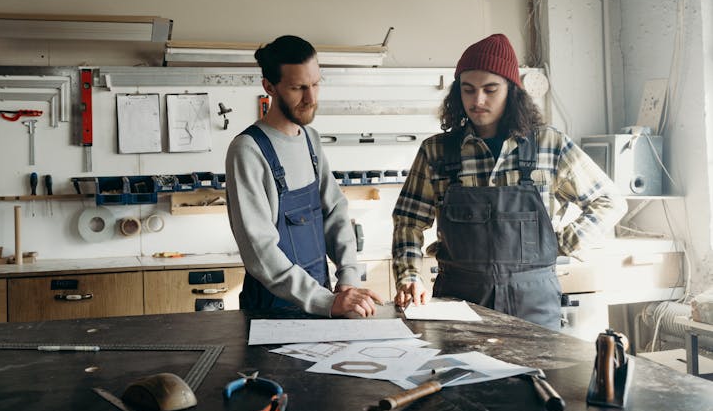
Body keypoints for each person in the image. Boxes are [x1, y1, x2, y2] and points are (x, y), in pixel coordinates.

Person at [392, 33, 627, 329]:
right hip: (459, 302)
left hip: (534, 303)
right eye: (468, 90)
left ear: (512, 91)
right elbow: (408, 221)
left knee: (535, 375)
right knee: (462, 374)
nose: (477, 101)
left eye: (490, 89)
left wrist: (561, 242)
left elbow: (609, 201)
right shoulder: (436, 151)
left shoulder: (549, 145)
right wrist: (410, 276)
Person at [225, 35, 383, 317]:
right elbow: (259, 250)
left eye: (315, 84)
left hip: (321, 299)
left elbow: (335, 211)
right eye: (298, 88)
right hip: (271, 309)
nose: (311, 98)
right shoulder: (248, 150)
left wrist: (347, 279)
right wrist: (324, 301)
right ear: (269, 87)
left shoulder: (310, 140)